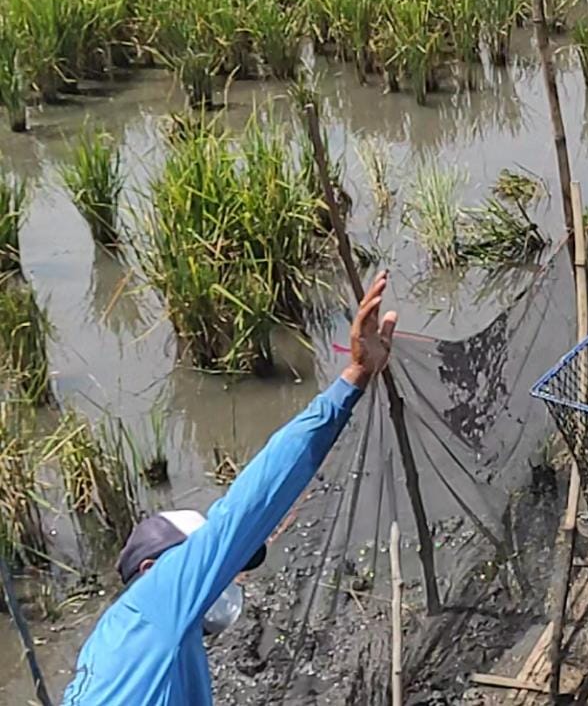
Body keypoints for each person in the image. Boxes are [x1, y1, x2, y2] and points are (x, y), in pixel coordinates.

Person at [62, 272, 398, 706]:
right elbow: (249, 502)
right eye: (200, 558)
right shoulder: (159, 598)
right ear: (151, 571)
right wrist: (352, 377)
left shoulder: (122, 648)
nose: (228, 576)